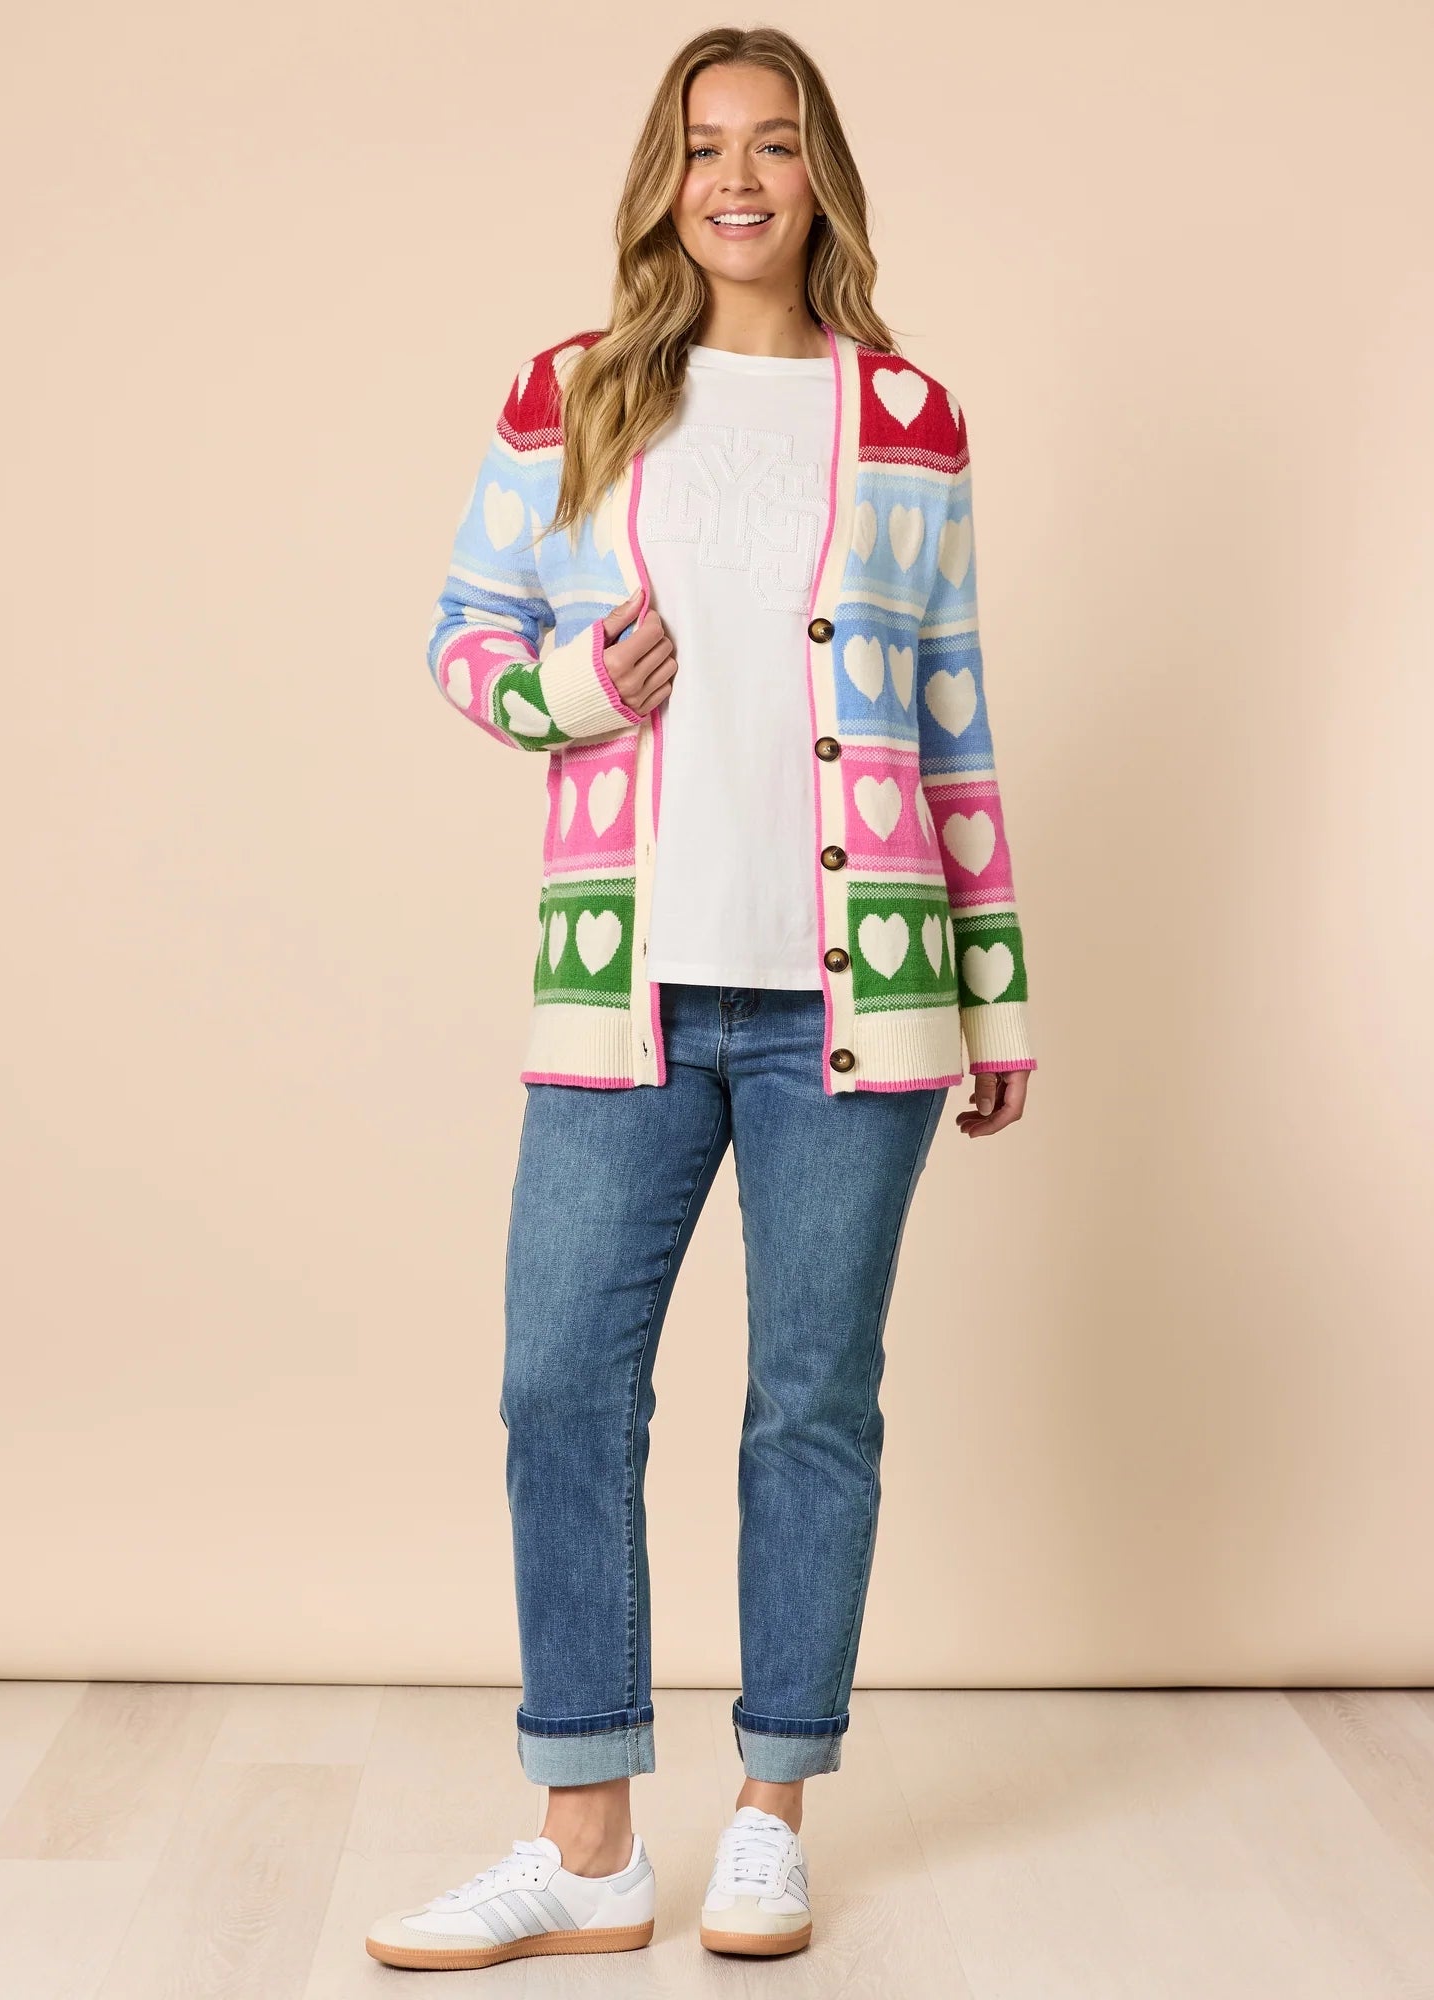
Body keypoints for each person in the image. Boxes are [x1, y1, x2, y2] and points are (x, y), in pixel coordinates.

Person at [367, 22, 1036, 1975]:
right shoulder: (570, 391)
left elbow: (958, 716)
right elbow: (463, 634)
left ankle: (769, 1816)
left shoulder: (906, 415)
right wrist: (582, 693)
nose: (737, 175)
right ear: (664, 182)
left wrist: (992, 995)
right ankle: (585, 1841)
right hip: (623, 990)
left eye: (775, 142)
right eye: (702, 145)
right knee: (560, 1382)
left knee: (810, 1404)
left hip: (864, 997)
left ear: (822, 175)